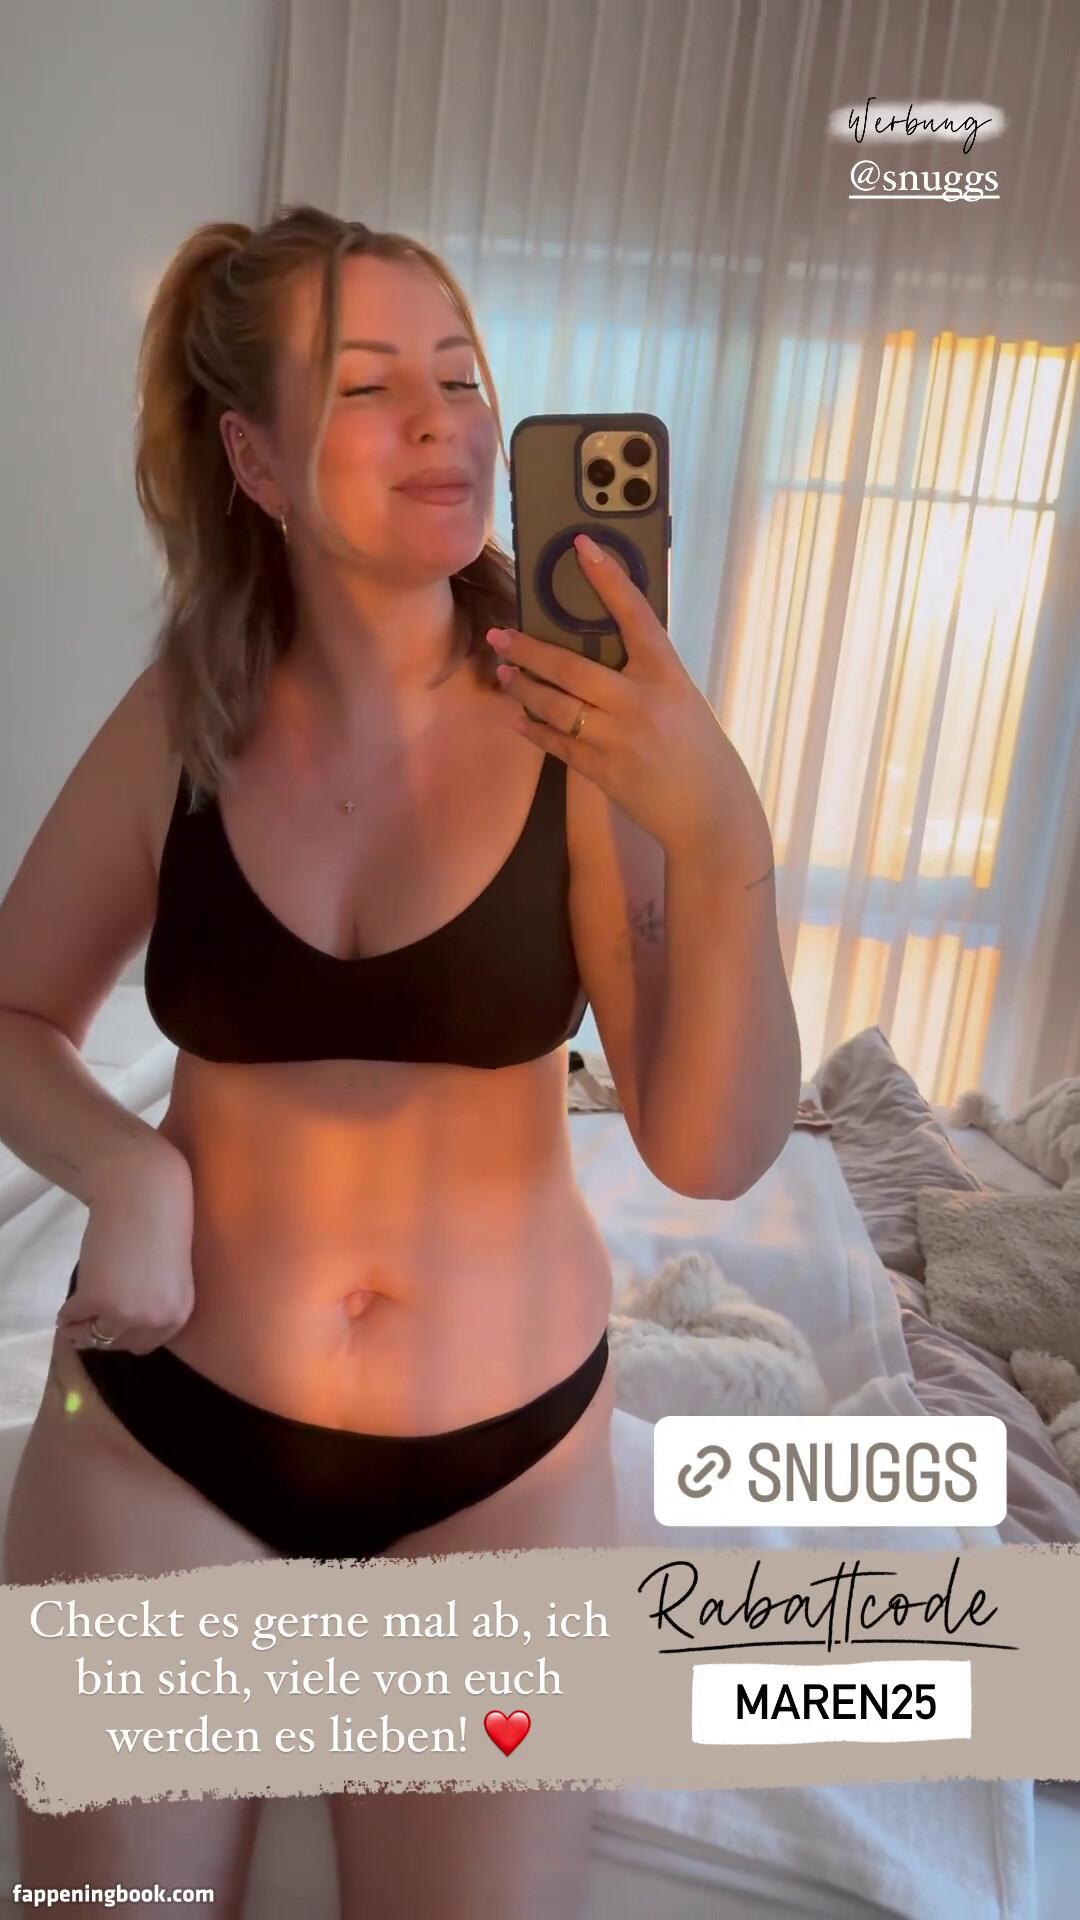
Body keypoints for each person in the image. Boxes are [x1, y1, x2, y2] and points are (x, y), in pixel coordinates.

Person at [0, 204, 801, 1918]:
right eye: (370, 386)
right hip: (159, 1440)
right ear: (257, 461)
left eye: (461, 375)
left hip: (498, 1474)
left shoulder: (580, 725)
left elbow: (710, 1146)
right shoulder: (183, 721)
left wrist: (723, 839)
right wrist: (124, 1165)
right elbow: (11, 1016)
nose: (445, 421)